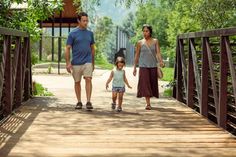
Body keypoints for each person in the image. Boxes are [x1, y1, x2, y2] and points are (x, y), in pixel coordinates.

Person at [65, 12, 95, 110]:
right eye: (84, 21)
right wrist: (68, 63)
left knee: (88, 79)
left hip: (88, 61)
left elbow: (92, 48)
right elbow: (67, 48)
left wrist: (93, 62)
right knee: (77, 82)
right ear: (79, 21)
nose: (86, 22)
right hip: (76, 62)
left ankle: (89, 101)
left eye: (87, 20)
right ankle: (79, 101)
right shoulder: (72, 33)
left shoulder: (90, 34)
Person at [133, 24, 164, 110]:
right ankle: (148, 104)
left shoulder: (155, 41)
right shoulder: (140, 43)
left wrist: (161, 61)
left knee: (152, 84)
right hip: (143, 66)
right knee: (146, 85)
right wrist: (135, 67)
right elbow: (137, 55)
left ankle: (149, 101)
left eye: (147, 31)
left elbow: (158, 53)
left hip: (153, 66)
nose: (145, 33)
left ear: (150, 32)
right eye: (144, 31)